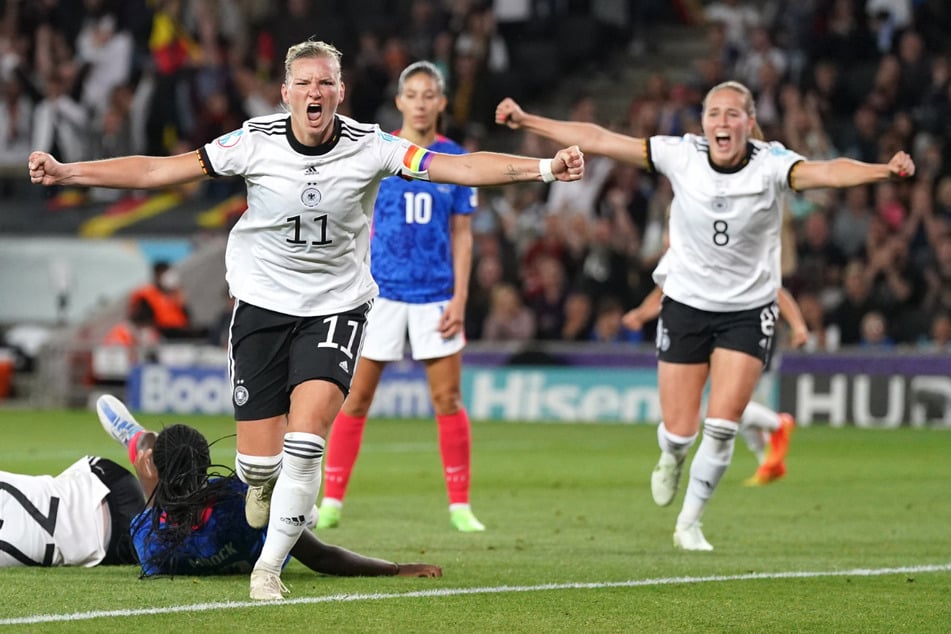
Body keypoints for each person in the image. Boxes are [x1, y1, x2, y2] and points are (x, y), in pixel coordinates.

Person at [30, 39, 583, 600]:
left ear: (341, 92)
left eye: (326, 82)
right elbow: (160, 172)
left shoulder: (373, 146)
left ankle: (267, 570)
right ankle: (264, 487)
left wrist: (543, 167)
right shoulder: (253, 142)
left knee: (307, 441)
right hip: (262, 308)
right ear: (286, 93)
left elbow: (458, 167)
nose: (315, 92)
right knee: (256, 469)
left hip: (335, 307)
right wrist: (69, 171)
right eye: (305, 82)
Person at [496, 80, 914, 551]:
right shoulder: (680, 154)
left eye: (733, 113)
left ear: (750, 123)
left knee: (722, 425)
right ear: (702, 122)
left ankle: (689, 523)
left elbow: (829, 172)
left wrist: (883, 171)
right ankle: (671, 456)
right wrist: (528, 120)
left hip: (747, 311)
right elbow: (598, 139)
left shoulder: (772, 165)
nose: (722, 121)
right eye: (714, 113)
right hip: (686, 304)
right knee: (680, 432)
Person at [317, 61, 484, 533]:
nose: (421, 102)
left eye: (430, 94)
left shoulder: (455, 159)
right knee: (354, 399)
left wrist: (460, 298)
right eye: (413, 94)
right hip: (381, 295)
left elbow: (463, 235)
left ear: (442, 102)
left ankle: (459, 506)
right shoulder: (379, 152)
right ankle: (331, 500)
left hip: (435, 296)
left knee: (448, 398)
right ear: (399, 101)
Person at [95, 394, 441, 581]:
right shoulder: (240, 503)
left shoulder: (147, 539)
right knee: (292, 499)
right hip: (276, 520)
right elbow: (321, 556)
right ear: (206, 465)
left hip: (174, 500)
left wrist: (151, 483)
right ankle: (142, 443)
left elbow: (161, 507)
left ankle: (140, 442)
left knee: (167, 488)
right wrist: (396, 568)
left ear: (153, 473)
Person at [623, 281, 804, 485]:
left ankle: (777, 424)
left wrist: (797, 325)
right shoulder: (685, 257)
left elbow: (773, 288)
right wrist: (641, 315)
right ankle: (769, 462)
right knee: (726, 406)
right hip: (708, 330)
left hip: (745, 332)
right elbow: (667, 290)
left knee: (727, 405)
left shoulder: (732, 256)